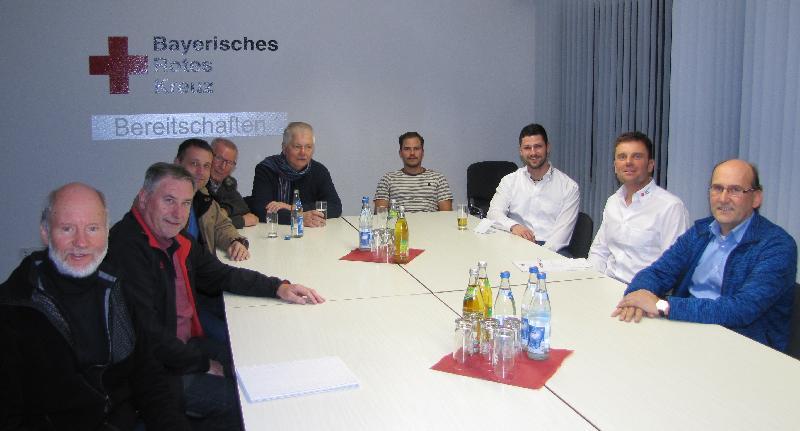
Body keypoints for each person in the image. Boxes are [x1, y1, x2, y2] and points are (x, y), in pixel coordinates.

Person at [109, 163, 324, 430]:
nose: (178, 213)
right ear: (143, 198)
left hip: (185, 347)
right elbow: (148, 336)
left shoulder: (177, 240)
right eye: (168, 201)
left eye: (186, 203)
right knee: (249, 404)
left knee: (258, 360)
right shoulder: (127, 247)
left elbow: (222, 275)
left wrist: (278, 287)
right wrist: (202, 364)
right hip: (156, 373)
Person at [0, 183, 188, 430]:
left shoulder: (118, 288)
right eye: (67, 229)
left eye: (92, 228)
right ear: (45, 233)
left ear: (106, 233)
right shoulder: (13, 308)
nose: (81, 242)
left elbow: (148, 377)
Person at [612, 159, 797, 351]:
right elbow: (659, 272)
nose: (723, 198)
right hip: (687, 333)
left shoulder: (777, 246)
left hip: (744, 348)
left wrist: (662, 306)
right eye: (717, 188)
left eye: (735, 190)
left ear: (756, 198)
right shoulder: (701, 232)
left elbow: (741, 309)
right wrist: (637, 295)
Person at [588, 132, 690, 283]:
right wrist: (592, 280)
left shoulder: (671, 207)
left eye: (637, 156)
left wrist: (639, 295)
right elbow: (599, 251)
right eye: (622, 157)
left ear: (650, 165)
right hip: (607, 284)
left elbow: (674, 268)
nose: (628, 162)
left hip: (643, 294)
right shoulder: (613, 202)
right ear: (615, 166)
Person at [487, 123, 580, 254]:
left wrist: (539, 255)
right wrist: (514, 226)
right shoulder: (510, 181)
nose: (533, 153)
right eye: (527, 148)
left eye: (538, 146)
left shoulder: (569, 187)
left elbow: (561, 236)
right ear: (520, 151)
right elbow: (493, 213)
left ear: (548, 147)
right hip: (516, 242)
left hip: (552, 249)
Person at [249, 121, 342, 225]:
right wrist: (299, 217)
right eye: (297, 147)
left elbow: (335, 206)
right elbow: (261, 210)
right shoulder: (267, 169)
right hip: (275, 232)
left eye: (308, 147)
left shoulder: (319, 170)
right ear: (284, 148)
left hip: (310, 233)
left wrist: (294, 208)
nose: (303, 152)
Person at [175, 138, 249, 262]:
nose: (200, 172)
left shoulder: (202, 196)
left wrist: (235, 241)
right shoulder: (160, 201)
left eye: (206, 166)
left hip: (203, 269)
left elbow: (221, 226)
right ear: (177, 163)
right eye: (194, 164)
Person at [373, 131, 453, 212]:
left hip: (430, 224)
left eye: (416, 149)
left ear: (422, 152)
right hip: (399, 224)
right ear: (400, 153)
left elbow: (446, 215)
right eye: (407, 149)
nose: (412, 153)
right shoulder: (387, 179)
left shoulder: (438, 179)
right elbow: (380, 217)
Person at [208, 137, 259, 229]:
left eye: (229, 162)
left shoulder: (228, 183)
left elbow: (243, 209)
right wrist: (241, 221)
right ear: (208, 156)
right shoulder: (198, 182)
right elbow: (208, 223)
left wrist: (226, 211)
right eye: (219, 158)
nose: (223, 166)